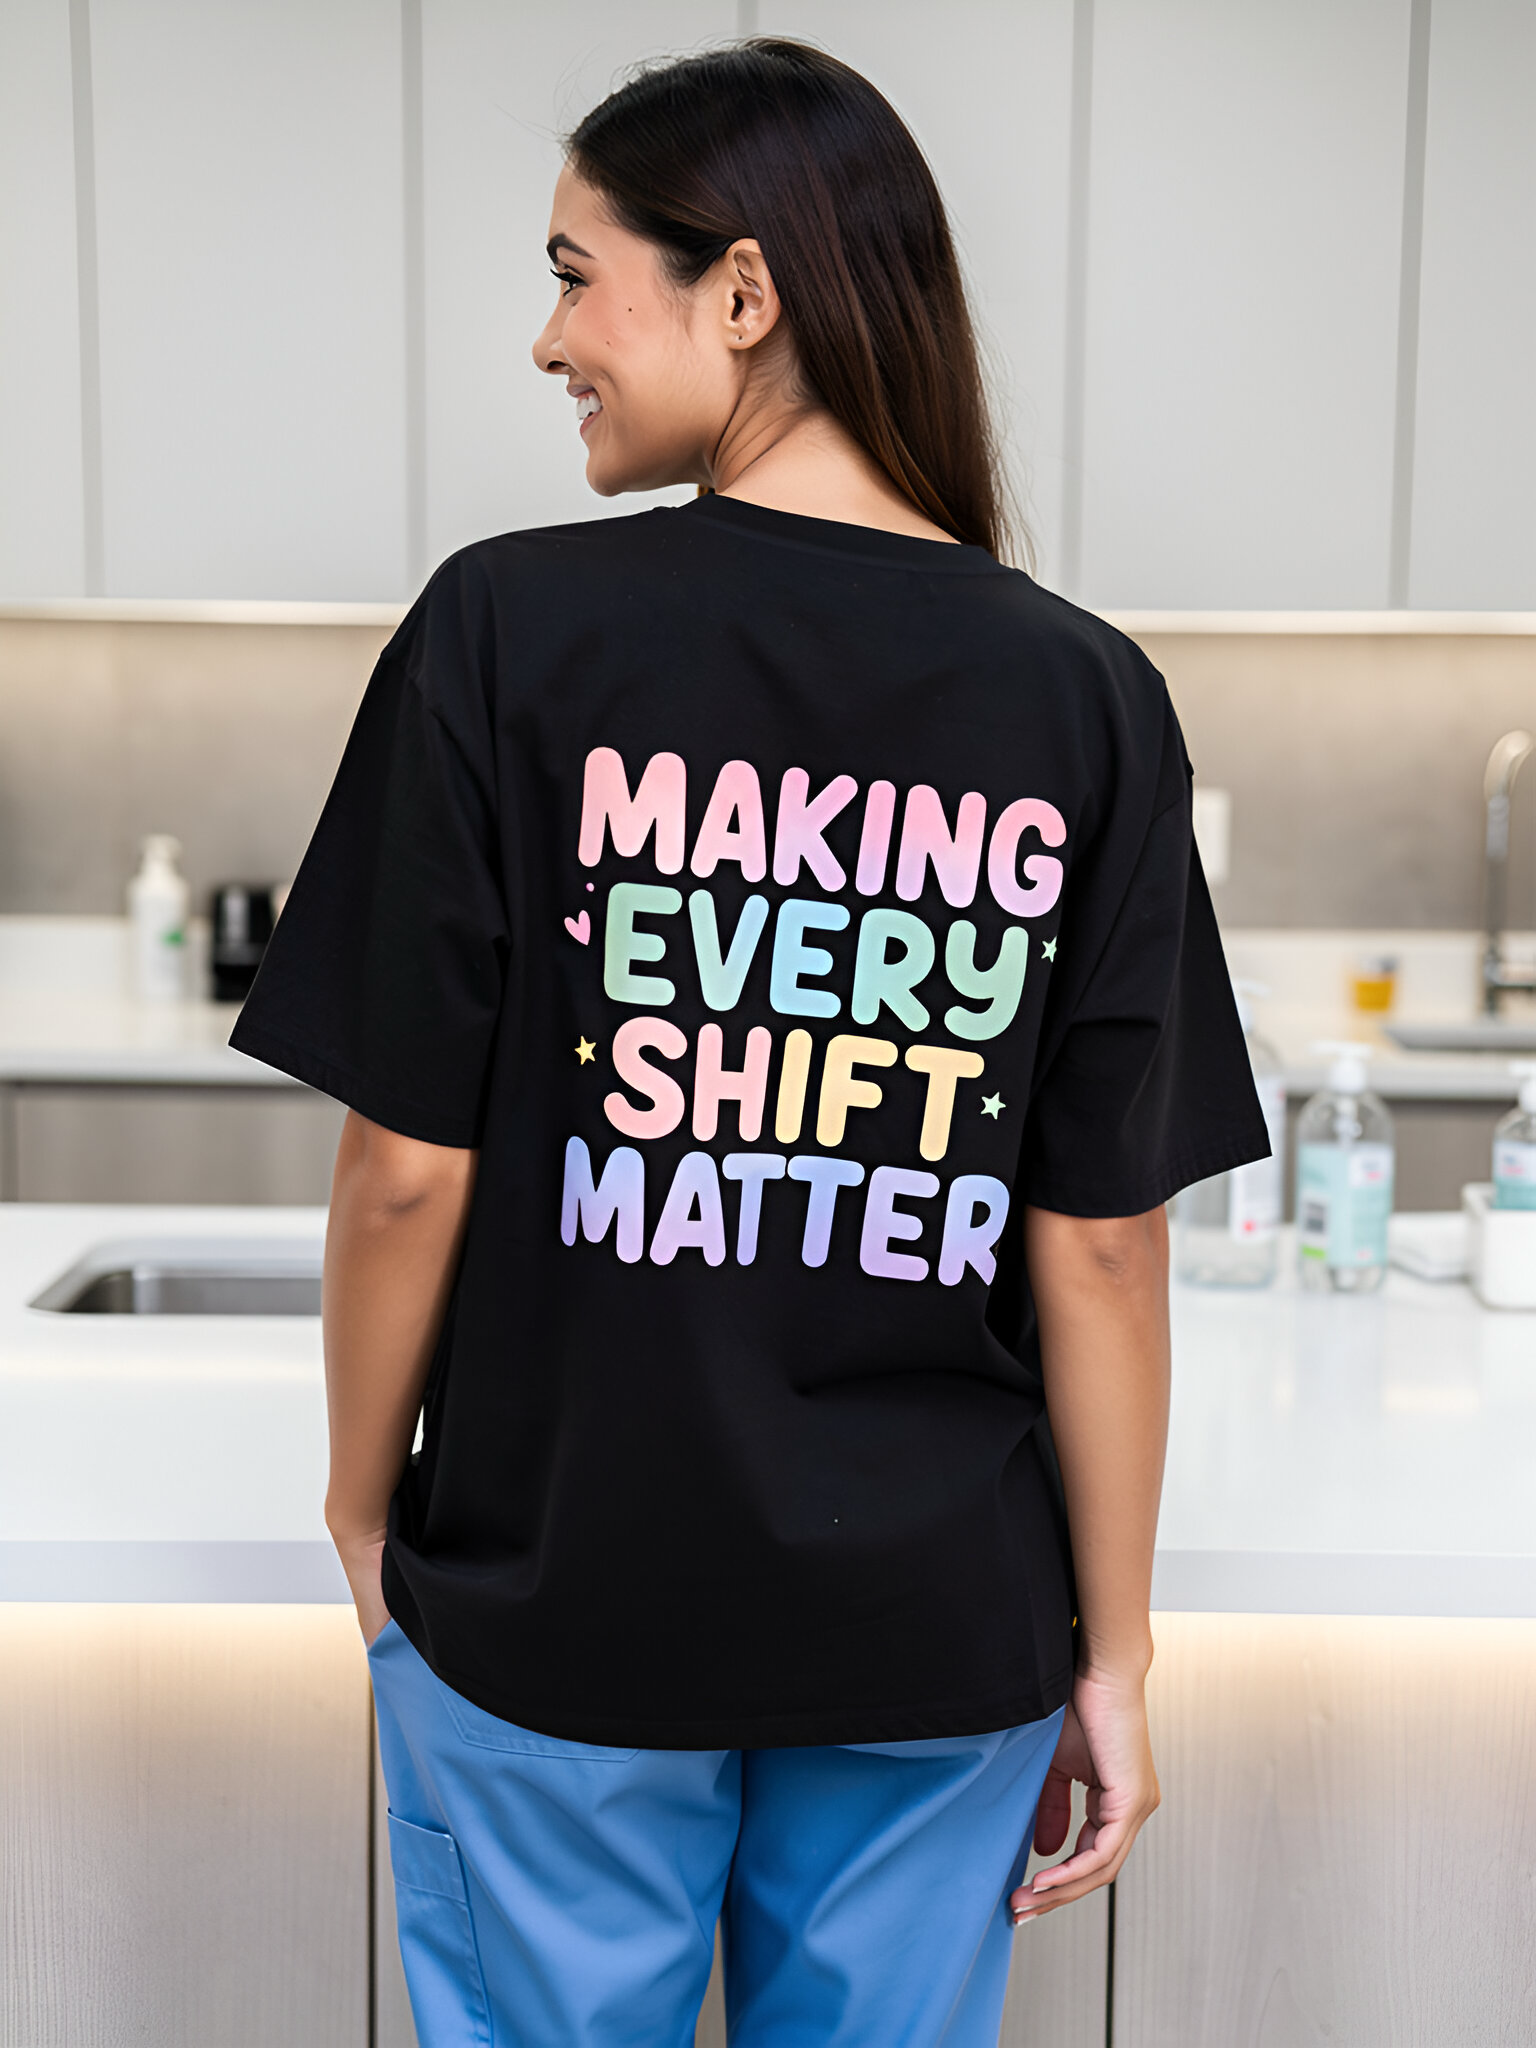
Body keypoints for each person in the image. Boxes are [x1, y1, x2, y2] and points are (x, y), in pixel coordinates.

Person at [232, 38, 1268, 2048]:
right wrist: (1118, 1653)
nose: (549, 342)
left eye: (571, 272)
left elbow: (405, 1169)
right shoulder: (1086, 699)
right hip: (931, 1631)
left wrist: (360, 1504)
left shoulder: (505, 634)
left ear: (744, 290)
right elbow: (1105, 1244)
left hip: (556, 1600)